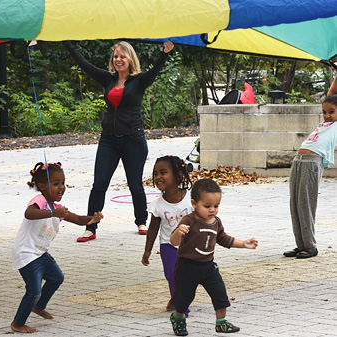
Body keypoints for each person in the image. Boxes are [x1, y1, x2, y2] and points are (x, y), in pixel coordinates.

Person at [63, 39, 174, 242]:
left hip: (134, 139)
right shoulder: (108, 79)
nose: (118, 59)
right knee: (99, 184)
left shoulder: (140, 80)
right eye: (115, 56)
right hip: (109, 141)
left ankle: (141, 221)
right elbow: (85, 65)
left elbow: (156, 70)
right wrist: (68, 44)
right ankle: (91, 226)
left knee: (135, 185)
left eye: (122, 56)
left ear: (130, 59)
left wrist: (165, 53)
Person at [11, 162, 103, 333]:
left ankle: (38, 306)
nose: (61, 187)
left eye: (63, 182)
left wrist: (93, 219)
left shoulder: (57, 208)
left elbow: (77, 219)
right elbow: (28, 214)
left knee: (56, 278)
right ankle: (18, 323)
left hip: (40, 254)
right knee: (33, 291)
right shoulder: (39, 201)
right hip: (26, 254)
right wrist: (53, 213)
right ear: (42, 186)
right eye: (56, 184)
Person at [169, 178, 258, 336]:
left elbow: (224, 239)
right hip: (187, 267)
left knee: (220, 293)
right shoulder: (188, 220)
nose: (212, 210)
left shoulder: (216, 222)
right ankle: (178, 317)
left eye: (216, 206)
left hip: (208, 267)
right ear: (194, 203)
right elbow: (174, 241)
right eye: (207, 206)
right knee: (184, 298)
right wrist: (178, 232)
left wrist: (244, 243)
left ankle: (221, 322)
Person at [283, 93, 337, 259]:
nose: (327, 115)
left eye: (332, 112)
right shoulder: (325, 124)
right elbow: (331, 93)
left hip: (312, 162)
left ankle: (310, 246)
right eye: (324, 112)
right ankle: (301, 245)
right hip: (298, 161)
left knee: (305, 204)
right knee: (295, 204)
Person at [141, 156, 193, 312]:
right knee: (172, 274)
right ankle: (181, 307)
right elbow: (153, 229)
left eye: (163, 172)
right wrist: (147, 250)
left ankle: (176, 299)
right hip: (168, 245)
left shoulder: (192, 199)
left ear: (179, 175)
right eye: (155, 173)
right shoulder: (157, 205)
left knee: (187, 277)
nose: (158, 177)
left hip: (189, 246)